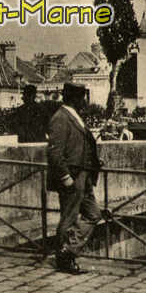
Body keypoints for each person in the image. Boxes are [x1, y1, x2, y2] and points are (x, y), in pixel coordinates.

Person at [47, 83, 102, 274]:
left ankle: (67, 250)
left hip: (84, 176)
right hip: (72, 177)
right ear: (74, 98)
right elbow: (54, 153)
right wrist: (65, 177)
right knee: (68, 218)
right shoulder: (61, 118)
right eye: (82, 97)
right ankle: (64, 259)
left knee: (94, 214)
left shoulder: (74, 116)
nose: (85, 101)